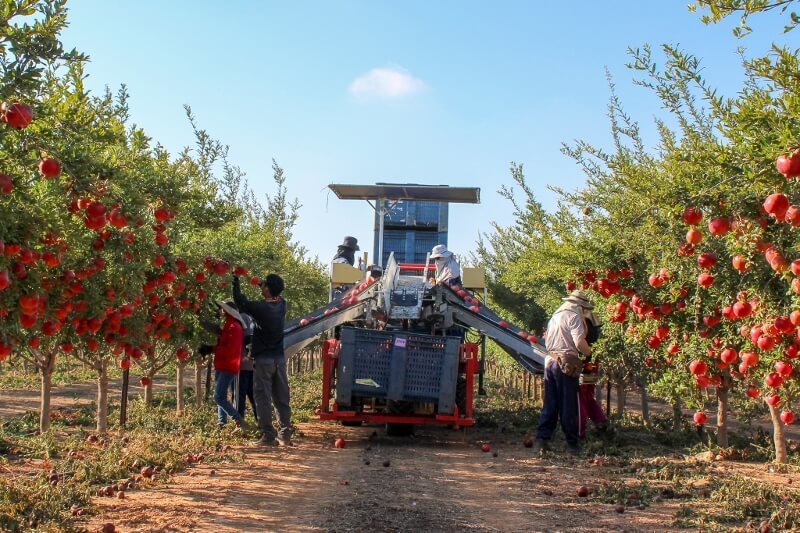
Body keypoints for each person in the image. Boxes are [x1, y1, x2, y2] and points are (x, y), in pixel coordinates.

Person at [233, 273, 292, 447]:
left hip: (263, 360)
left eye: (264, 285)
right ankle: (285, 434)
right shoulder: (281, 304)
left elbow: (240, 302)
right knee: (281, 397)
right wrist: (258, 281)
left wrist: (235, 279)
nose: (262, 287)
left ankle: (267, 435)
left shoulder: (260, 309)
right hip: (279, 360)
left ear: (267, 289)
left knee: (263, 397)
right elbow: (272, 292)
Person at [532, 290, 594, 455]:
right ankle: (572, 444)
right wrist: (589, 353)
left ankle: (542, 440)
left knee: (551, 403)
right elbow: (579, 342)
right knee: (568, 405)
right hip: (566, 364)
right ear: (579, 306)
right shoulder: (573, 317)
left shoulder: (555, 317)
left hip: (550, 361)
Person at [200, 300, 248, 430]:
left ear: (227, 311)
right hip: (222, 365)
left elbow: (229, 350)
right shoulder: (228, 325)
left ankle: (238, 419)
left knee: (218, 396)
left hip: (229, 366)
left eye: (222, 309)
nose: (220, 311)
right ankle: (221, 423)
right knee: (220, 395)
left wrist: (211, 349)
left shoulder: (234, 327)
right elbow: (219, 335)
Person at [578, 311, 608, 439]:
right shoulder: (595, 319)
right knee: (588, 395)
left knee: (581, 395)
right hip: (593, 362)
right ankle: (601, 422)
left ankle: (580, 432)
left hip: (585, 361)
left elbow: (580, 342)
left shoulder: (581, 320)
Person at [237, 311, 258, 422]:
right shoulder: (250, 317)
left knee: (240, 395)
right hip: (251, 365)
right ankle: (260, 422)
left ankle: (240, 421)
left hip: (243, 364)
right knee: (253, 395)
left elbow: (248, 339)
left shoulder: (241, 318)